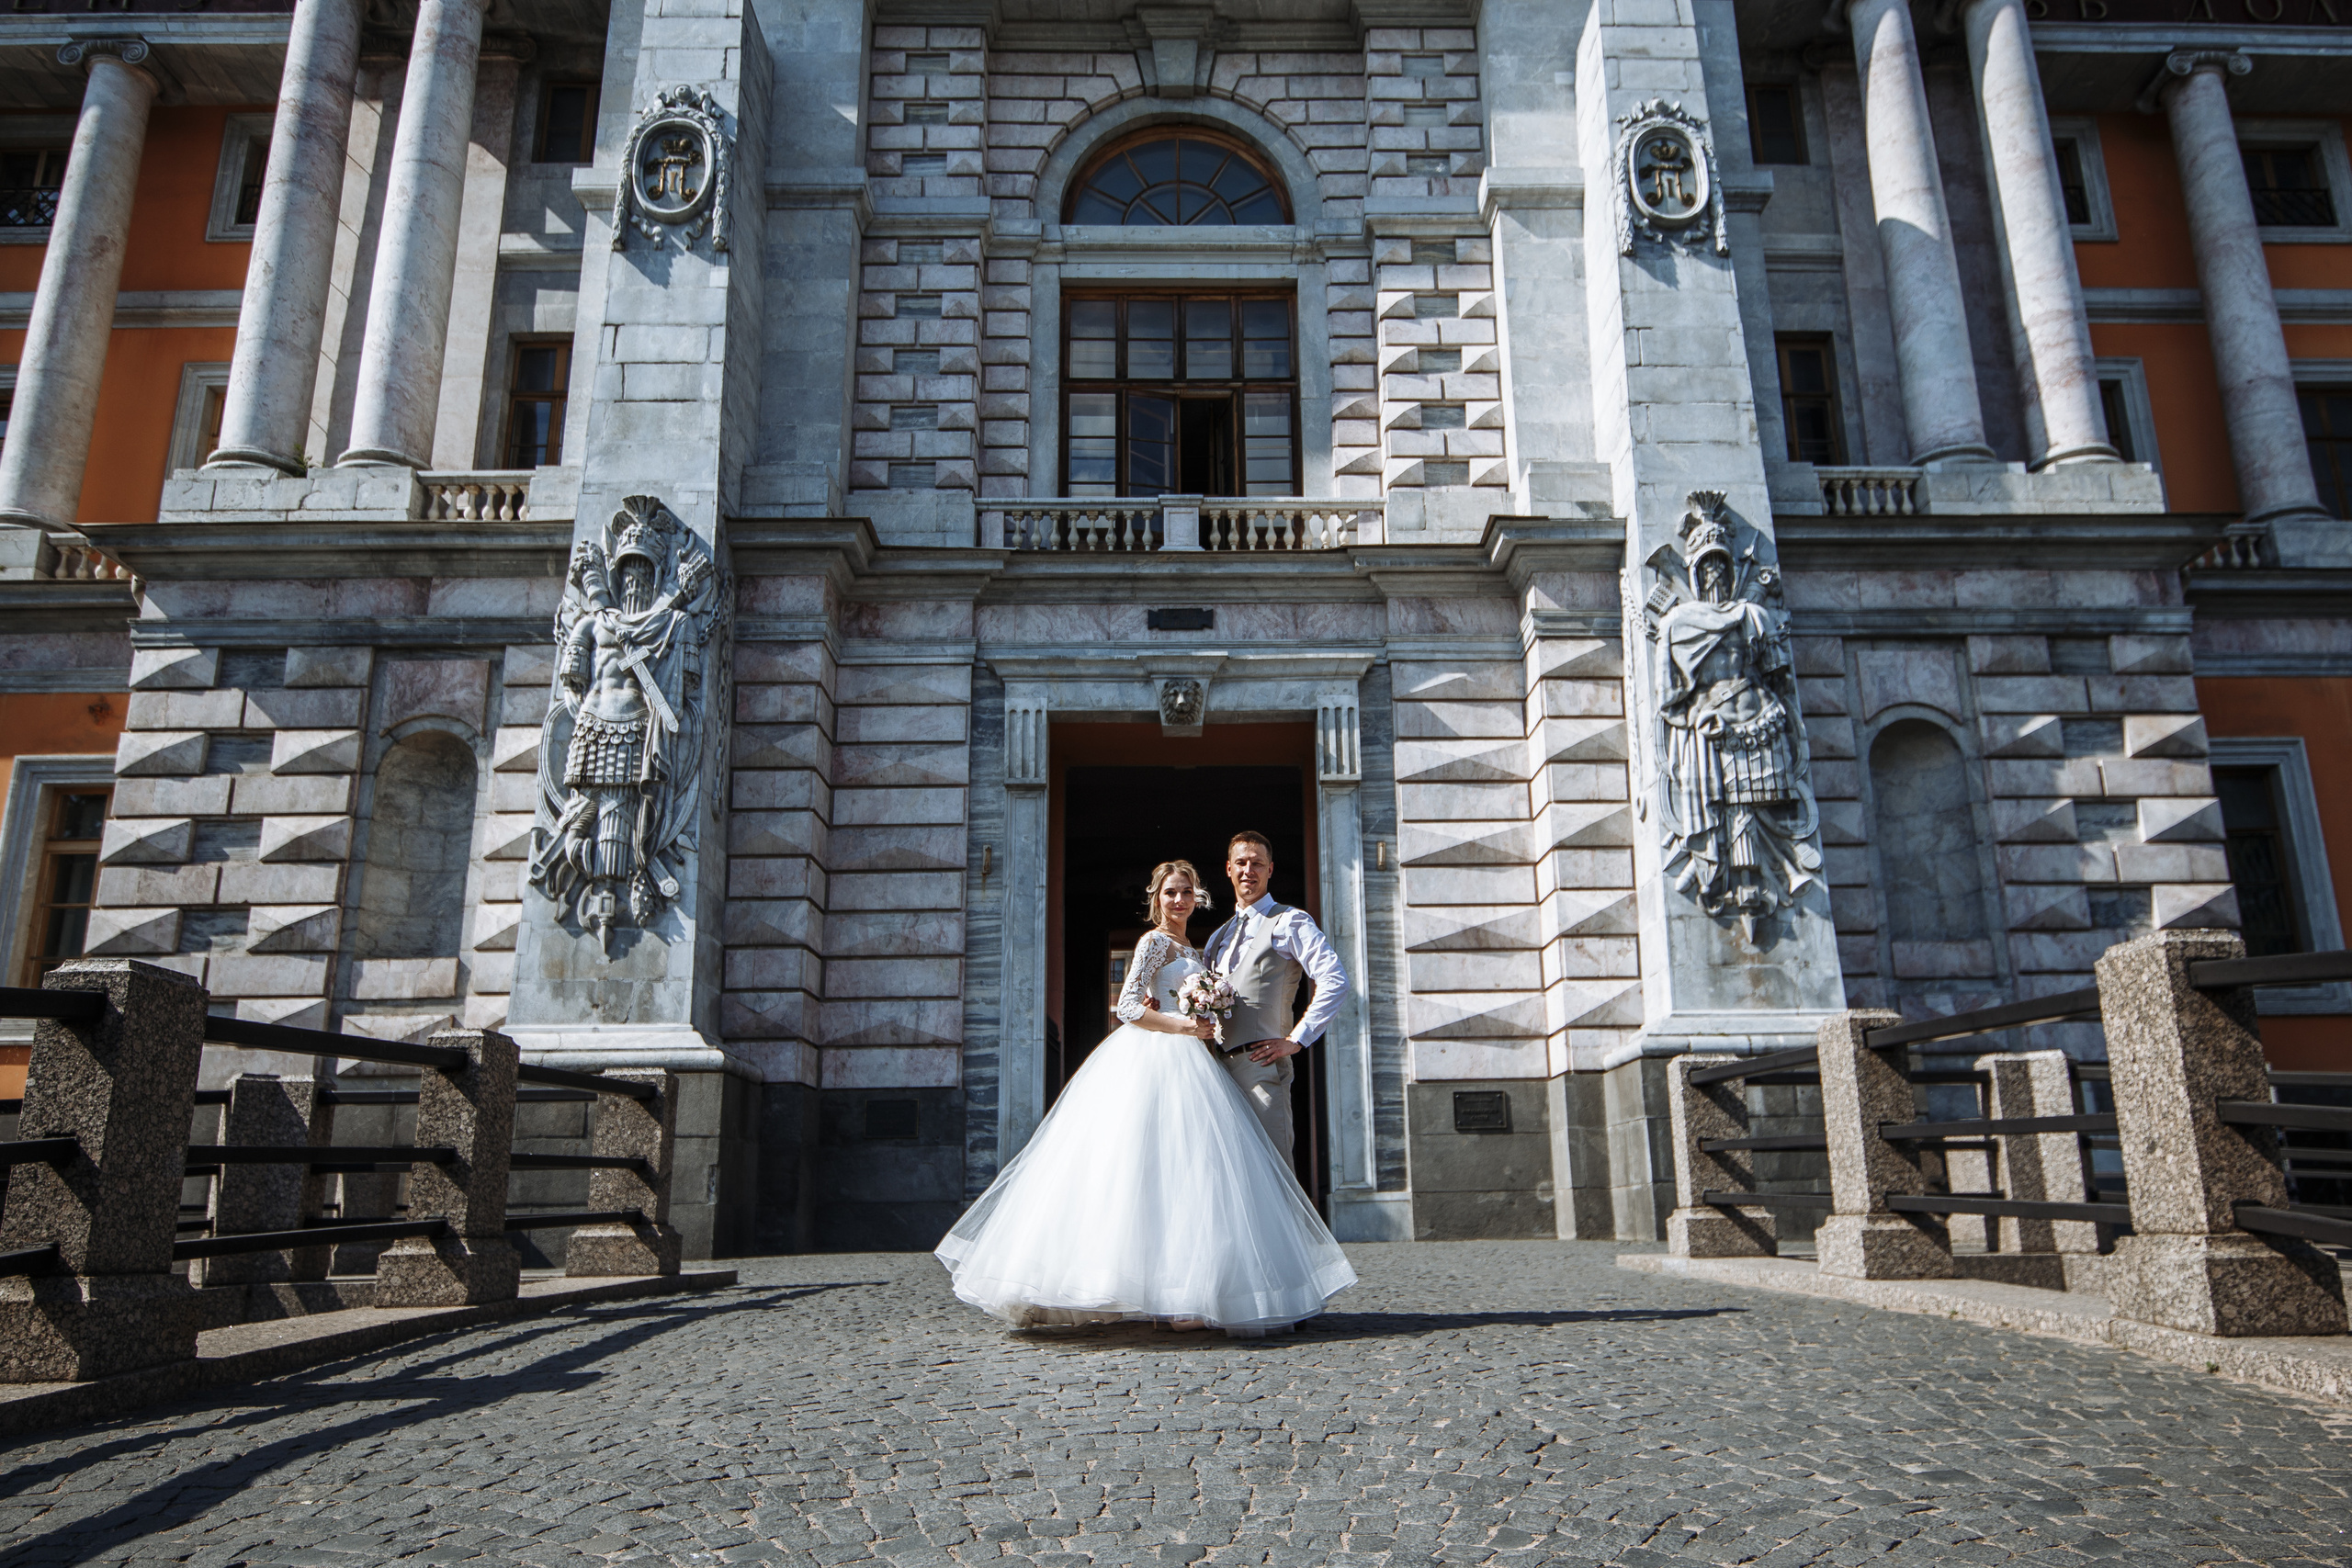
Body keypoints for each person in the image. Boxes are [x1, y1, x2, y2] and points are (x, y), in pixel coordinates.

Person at [934, 859, 1356, 1337]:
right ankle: (1154, 1292)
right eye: (1170, 893)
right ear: (1156, 898)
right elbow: (1131, 1005)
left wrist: (1211, 1022)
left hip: (1201, 1064)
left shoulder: (1201, 947)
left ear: (1198, 897)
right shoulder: (1154, 941)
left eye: (1187, 893)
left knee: (1192, 1178)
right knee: (1147, 1170)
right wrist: (1182, 1024)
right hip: (1158, 1059)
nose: (1179, 901)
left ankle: (1187, 1295)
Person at [1197, 830, 1351, 1162]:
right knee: (1229, 1176)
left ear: (1270, 870)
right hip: (1217, 1072)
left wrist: (1296, 1039)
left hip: (1261, 1069)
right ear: (1228, 868)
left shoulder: (1290, 921)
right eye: (1241, 862)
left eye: (1257, 863)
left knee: (1274, 1173)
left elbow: (1335, 979)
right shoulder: (1216, 938)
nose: (1248, 870)